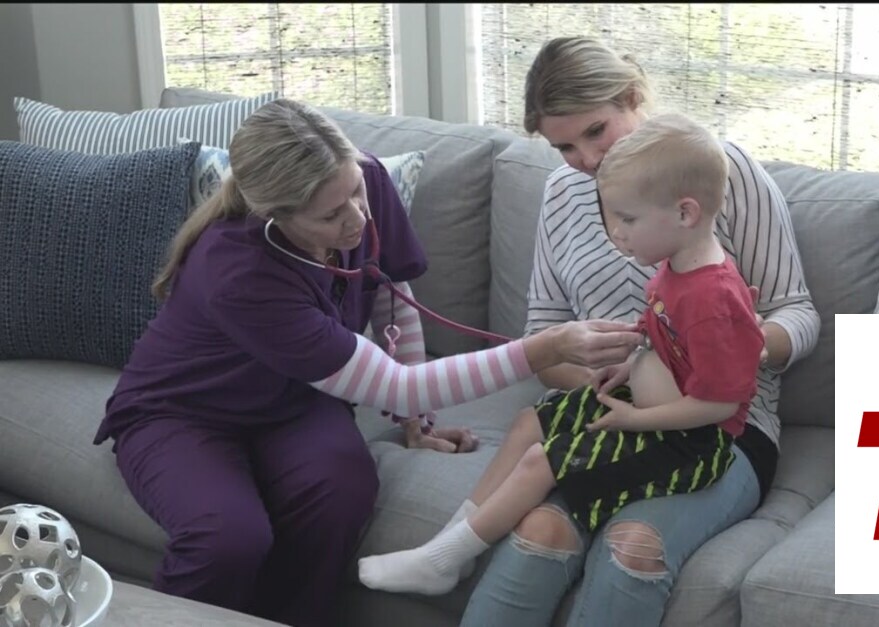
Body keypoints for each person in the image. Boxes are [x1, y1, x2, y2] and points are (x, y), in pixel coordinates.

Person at [90, 98, 642, 627]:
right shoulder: (238, 269)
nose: (356, 218)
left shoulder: (367, 178)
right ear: (273, 214)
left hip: (296, 399)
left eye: (355, 192)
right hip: (183, 413)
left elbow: (388, 289)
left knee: (343, 492)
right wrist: (545, 348)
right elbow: (396, 386)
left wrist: (417, 422)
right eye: (331, 215)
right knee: (228, 537)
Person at [459, 36, 822, 627]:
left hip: (723, 427)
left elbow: (798, 312)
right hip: (611, 417)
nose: (585, 158)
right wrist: (604, 381)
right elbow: (543, 338)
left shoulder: (719, 172)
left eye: (595, 131)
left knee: (633, 545)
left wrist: (741, 346)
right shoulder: (561, 194)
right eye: (564, 146)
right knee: (541, 531)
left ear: (631, 96)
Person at [356, 112, 768, 598]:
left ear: (685, 213)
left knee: (540, 461)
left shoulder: (712, 299)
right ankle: (449, 553)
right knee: (530, 422)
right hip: (645, 406)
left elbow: (721, 404)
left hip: (689, 443)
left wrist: (634, 419)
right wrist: (627, 364)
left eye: (629, 220)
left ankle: (442, 559)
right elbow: (667, 341)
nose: (617, 234)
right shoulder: (675, 267)